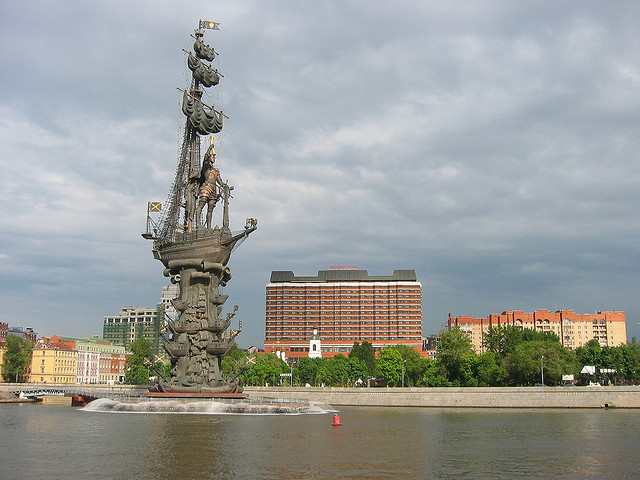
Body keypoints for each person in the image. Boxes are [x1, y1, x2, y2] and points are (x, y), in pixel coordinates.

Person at [196, 144, 223, 228]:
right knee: (201, 205)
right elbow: (205, 157)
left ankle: (209, 227)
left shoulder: (216, 170)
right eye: (212, 157)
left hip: (214, 189)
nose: (214, 158)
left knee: (210, 209)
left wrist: (224, 186)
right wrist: (209, 148)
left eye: (214, 157)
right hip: (206, 187)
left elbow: (219, 181)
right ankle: (198, 224)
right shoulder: (206, 167)